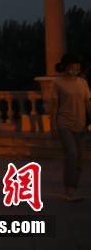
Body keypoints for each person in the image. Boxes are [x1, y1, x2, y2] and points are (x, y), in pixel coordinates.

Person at [50, 52, 90, 202]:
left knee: (79, 158)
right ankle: (69, 189)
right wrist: (52, 126)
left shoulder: (82, 83)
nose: (76, 69)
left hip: (80, 124)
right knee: (72, 154)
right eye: (73, 66)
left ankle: (73, 188)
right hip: (64, 123)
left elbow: (87, 103)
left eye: (78, 66)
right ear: (66, 66)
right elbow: (54, 106)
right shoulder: (57, 83)